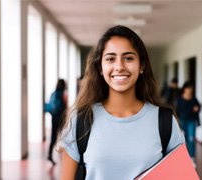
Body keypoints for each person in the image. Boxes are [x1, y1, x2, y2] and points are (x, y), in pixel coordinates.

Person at [58, 25, 185, 180]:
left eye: (128, 58)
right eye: (110, 59)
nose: (119, 66)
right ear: (100, 67)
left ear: (142, 66)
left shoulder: (165, 121)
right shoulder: (81, 120)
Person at [176, 81, 200, 165]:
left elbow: (198, 107)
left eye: (191, 88)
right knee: (183, 140)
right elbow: (176, 111)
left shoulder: (194, 99)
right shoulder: (179, 99)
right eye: (188, 88)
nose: (189, 90)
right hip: (182, 121)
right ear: (184, 89)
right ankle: (184, 158)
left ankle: (192, 158)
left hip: (192, 121)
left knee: (191, 139)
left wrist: (197, 109)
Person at [44, 79, 67, 165]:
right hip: (61, 119)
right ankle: (64, 155)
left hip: (54, 118)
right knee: (64, 137)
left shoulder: (53, 93)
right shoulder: (62, 94)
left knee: (53, 137)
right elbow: (64, 108)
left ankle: (50, 155)